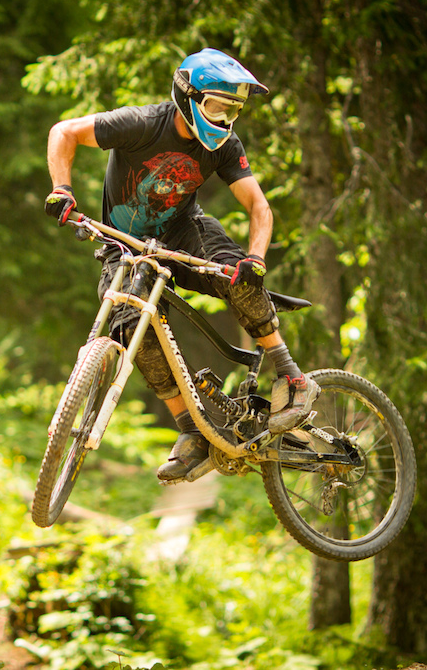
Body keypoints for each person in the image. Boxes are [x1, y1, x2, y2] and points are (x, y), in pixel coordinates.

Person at [43, 47, 320, 482]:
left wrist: (256, 260)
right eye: (217, 106)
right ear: (188, 95)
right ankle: (192, 433)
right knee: (130, 325)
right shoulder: (141, 124)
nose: (225, 119)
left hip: (183, 232)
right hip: (125, 246)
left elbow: (259, 209)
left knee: (237, 274)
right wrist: (62, 190)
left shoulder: (226, 146)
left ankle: (292, 377)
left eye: (234, 110)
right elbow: (64, 132)